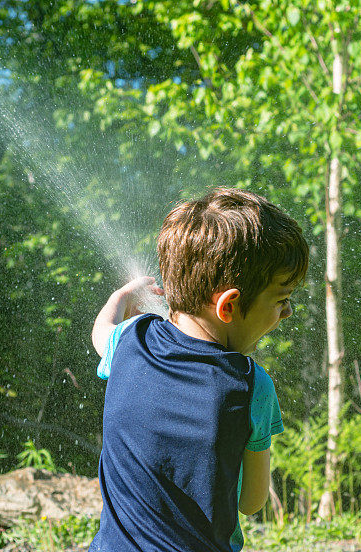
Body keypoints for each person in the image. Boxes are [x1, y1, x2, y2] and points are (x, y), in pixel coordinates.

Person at [88, 187, 309, 552]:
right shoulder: (252, 386)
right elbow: (251, 501)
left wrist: (122, 296)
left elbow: (101, 334)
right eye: (282, 300)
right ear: (228, 306)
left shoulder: (132, 340)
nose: (287, 313)